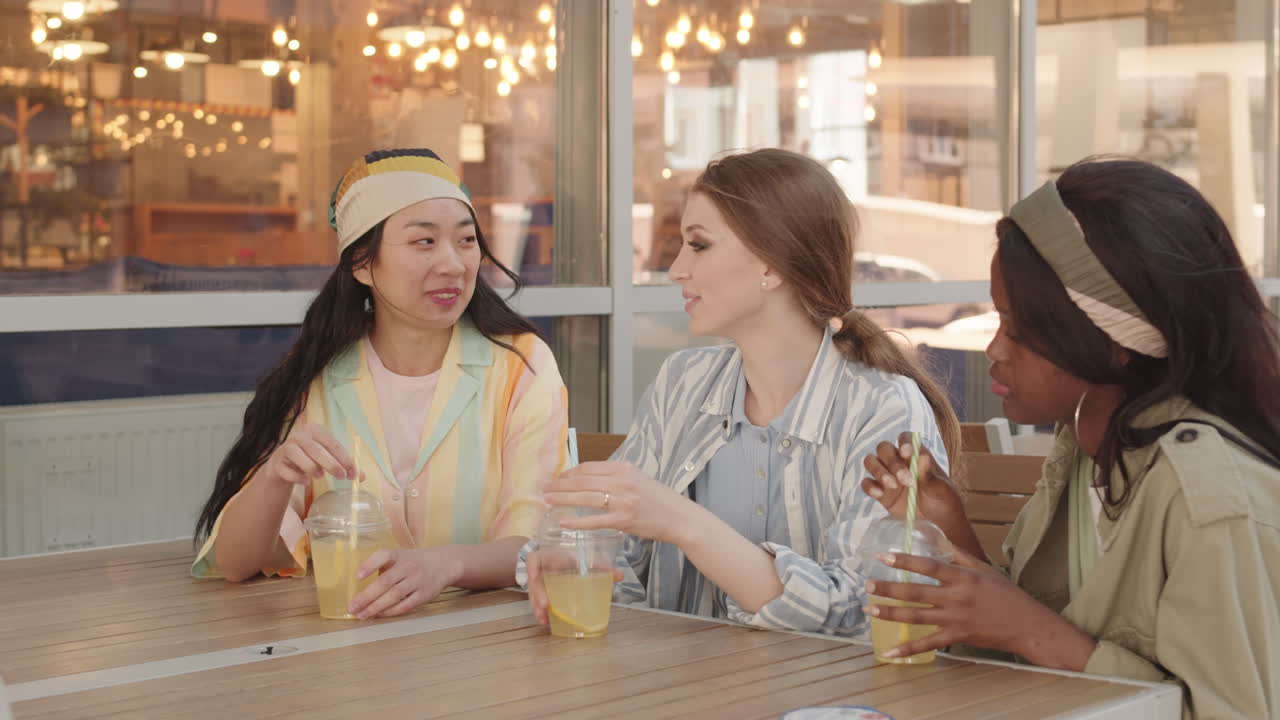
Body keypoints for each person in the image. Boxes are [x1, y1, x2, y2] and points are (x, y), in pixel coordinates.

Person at [860, 157, 1279, 719]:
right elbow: (1028, 642)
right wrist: (948, 529)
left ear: (1115, 339)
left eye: (1021, 329)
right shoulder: (1084, 447)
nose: (994, 350)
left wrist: (1037, 637)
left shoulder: (1209, 498)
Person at [522, 148, 961, 636]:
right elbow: (618, 556)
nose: (676, 270)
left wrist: (681, 521)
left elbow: (865, 615)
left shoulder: (883, 409)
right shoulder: (682, 383)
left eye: (699, 245)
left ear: (771, 265)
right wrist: (571, 553)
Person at [193, 148, 568, 620]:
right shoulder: (317, 376)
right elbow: (234, 564)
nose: (453, 264)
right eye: (424, 242)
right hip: (351, 647)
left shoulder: (522, 365)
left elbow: (538, 542)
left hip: (490, 646)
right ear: (362, 265)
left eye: (466, 240)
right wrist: (273, 475)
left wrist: (446, 565)